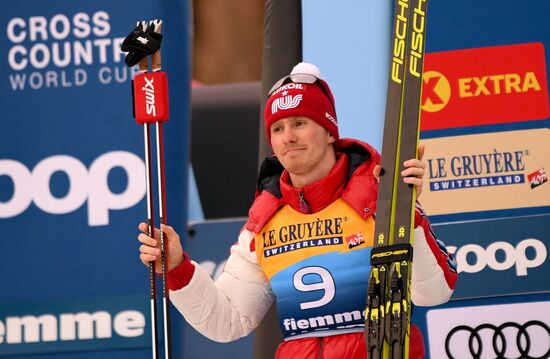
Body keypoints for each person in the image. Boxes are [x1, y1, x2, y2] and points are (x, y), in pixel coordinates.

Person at [138, 62, 458, 358]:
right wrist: (177, 266)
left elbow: (435, 292)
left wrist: (407, 211)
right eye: (277, 128)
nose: (288, 137)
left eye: (300, 123)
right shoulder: (265, 218)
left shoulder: (377, 193)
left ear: (330, 130)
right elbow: (228, 320)